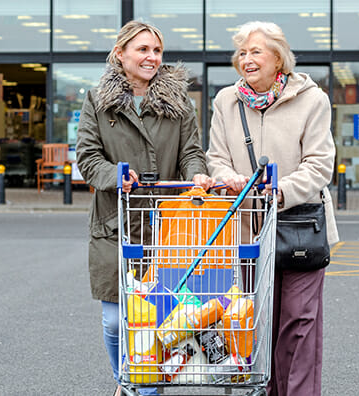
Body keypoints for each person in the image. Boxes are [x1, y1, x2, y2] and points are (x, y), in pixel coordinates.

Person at [75, 20, 213, 396]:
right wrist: (114, 175)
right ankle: (129, 380)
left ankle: (141, 385)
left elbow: (190, 152)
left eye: (156, 51)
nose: (151, 58)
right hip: (114, 223)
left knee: (159, 318)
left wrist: (198, 175)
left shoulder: (179, 102)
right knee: (115, 322)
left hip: (167, 228)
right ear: (120, 54)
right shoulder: (97, 101)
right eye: (142, 50)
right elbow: (87, 157)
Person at [206, 21, 339, 396]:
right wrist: (229, 177)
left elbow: (319, 165)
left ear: (278, 58)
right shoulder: (225, 101)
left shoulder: (312, 99)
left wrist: (278, 192)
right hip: (247, 229)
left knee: (298, 323)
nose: (246, 60)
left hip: (300, 225)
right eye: (242, 53)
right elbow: (215, 157)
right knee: (257, 321)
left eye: (256, 52)